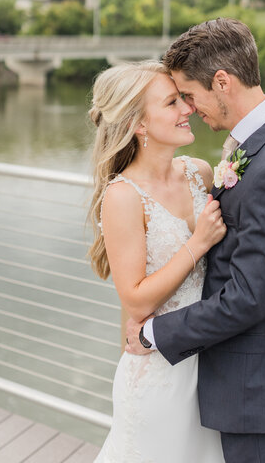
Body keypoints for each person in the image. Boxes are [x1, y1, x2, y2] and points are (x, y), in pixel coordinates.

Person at [126, 18, 265, 463]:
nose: (189, 109)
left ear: (223, 82)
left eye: (190, 95)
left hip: (259, 390)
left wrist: (154, 333)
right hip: (239, 383)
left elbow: (247, 299)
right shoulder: (258, 146)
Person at [88, 61, 226, 462]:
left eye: (183, 99)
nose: (187, 109)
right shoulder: (123, 196)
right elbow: (136, 301)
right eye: (171, 102)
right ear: (140, 124)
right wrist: (196, 244)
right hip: (159, 374)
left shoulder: (199, 173)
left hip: (209, 367)